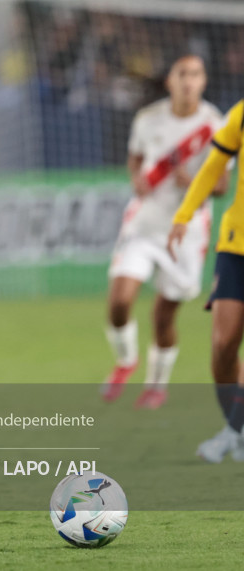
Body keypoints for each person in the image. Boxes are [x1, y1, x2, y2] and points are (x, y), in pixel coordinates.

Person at [102, 55, 227, 409]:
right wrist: (136, 179)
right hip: (144, 222)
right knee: (120, 300)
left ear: (203, 82)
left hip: (186, 233)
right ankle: (126, 361)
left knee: (164, 316)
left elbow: (222, 185)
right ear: (170, 81)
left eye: (196, 75)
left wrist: (197, 184)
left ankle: (156, 385)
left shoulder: (215, 124)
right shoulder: (148, 119)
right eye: (182, 74)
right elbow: (136, 159)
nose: (189, 81)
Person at [168, 97, 244, 463]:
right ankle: (236, 429)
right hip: (236, 242)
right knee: (223, 344)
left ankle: (236, 431)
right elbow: (214, 166)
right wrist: (183, 214)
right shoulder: (241, 113)